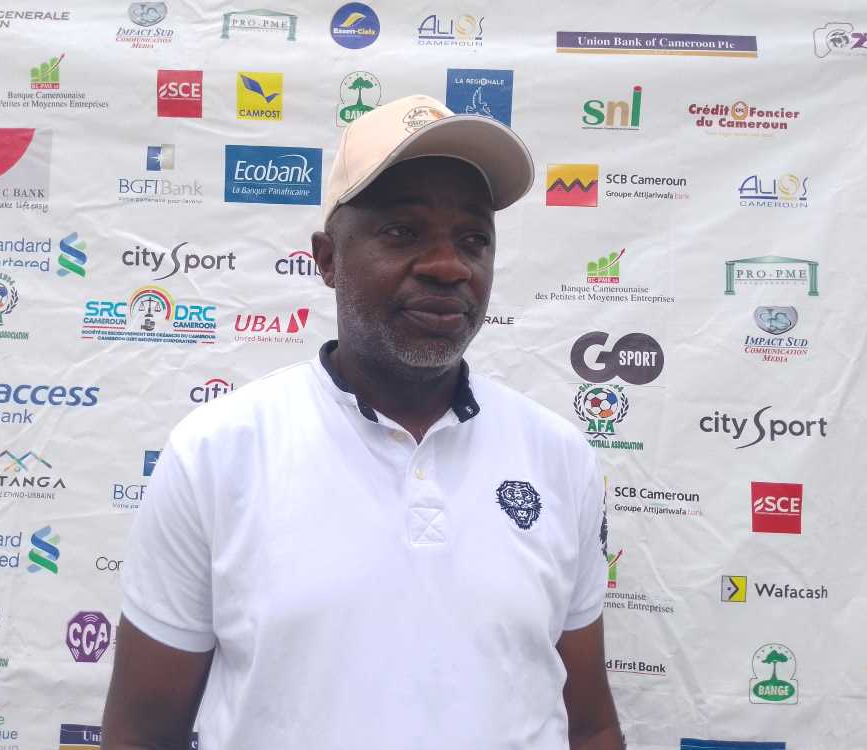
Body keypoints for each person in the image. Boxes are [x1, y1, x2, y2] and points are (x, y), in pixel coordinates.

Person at [102, 94, 624, 750]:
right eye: (402, 232)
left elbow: (590, 725)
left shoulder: (558, 455)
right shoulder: (216, 452)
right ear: (327, 259)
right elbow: (142, 733)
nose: (448, 266)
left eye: (473, 239)